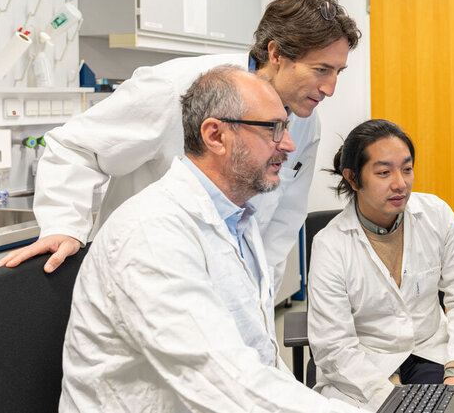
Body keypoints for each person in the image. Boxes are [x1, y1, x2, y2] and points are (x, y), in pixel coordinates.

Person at [0, 0, 361, 293]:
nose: (330, 89)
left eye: (338, 72)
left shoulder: (303, 118)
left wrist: (256, 292)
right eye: (321, 70)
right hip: (145, 271)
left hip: (226, 281)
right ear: (276, 53)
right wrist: (64, 226)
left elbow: (284, 217)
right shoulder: (177, 88)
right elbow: (75, 146)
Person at [60, 66, 371, 413]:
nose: (289, 144)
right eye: (274, 129)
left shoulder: (238, 219)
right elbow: (224, 382)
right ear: (216, 136)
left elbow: (260, 359)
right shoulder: (152, 234)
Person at [306, 119, 454, 410]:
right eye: (383, 172)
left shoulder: (436, 215)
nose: (400, 184)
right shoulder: (331, 244)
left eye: (407, 169)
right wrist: (389, 395)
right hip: (365, 368)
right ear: (353, 179)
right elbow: (334, 346)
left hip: (431, 354)